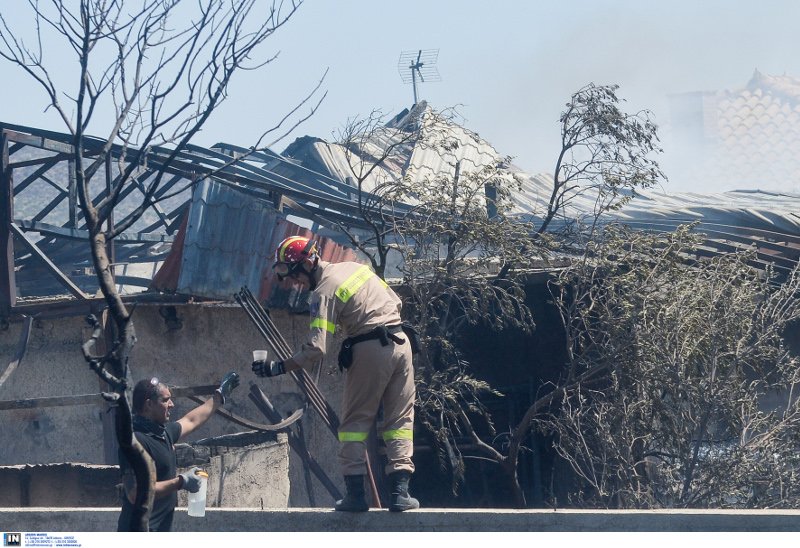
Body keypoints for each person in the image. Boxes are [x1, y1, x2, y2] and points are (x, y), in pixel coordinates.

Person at [252, 235, 419, 512]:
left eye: (295, 275)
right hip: (402, 343)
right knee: (399, 420)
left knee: (354, 425)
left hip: (369, 349)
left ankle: (355, 495)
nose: (296, 283)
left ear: (307, 264)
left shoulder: (323, 292)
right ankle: (401, 493)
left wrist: (277, 367)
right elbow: (395, 301)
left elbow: (317, 349)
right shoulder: (355, 267)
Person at [117, 371, 240, 532]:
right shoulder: (135, 442)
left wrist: (220, 396)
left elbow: (192, 419)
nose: (172, 404)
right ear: (149, 405)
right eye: (165, 400)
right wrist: (180, 482)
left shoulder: (163, 433)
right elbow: (135, 493)